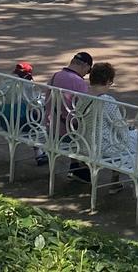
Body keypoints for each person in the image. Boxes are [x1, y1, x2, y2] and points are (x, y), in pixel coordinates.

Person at [87, 62, 138, 195]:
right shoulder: (107, 101)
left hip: (86, 142)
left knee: (132, 136)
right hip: (104, 147)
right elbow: (120, 128)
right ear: (108, 81)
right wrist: (132, 130)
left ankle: (116, 180)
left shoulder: (82, 96)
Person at [49, 51, 94, 181]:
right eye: (88, 70)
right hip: (67, 134)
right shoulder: (79, 83)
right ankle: (80, 168)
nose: (87, 74)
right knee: (90, 127)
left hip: (50, 128)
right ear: (85, 66)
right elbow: (86, 110)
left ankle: (76, 167)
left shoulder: (55, 76)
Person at [0, 62, 47, 166]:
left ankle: (39, 152)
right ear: (28, 75)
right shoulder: (27, 85)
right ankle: (39, 153)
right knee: (37, 115)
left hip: (4, 121)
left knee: (30, 114)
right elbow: (34, 103)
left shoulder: (5, 81)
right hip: (20, 124)